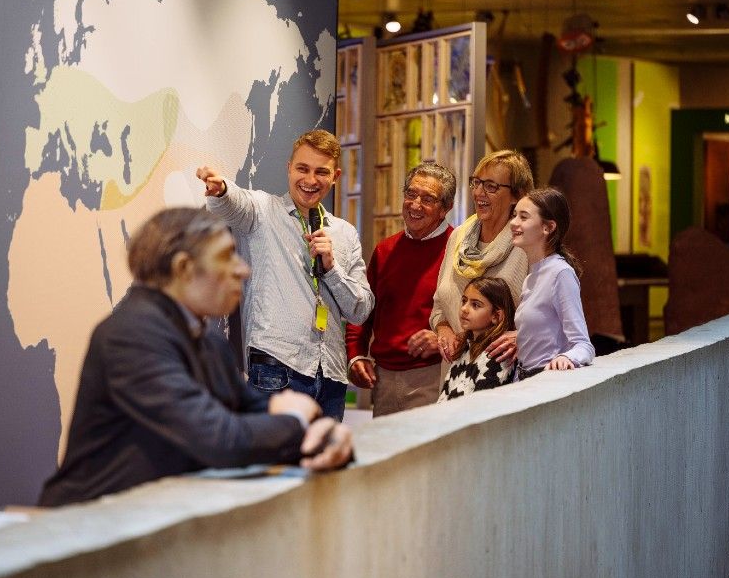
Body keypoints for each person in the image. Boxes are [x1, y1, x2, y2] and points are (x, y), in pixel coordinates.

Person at [38, 208, 353, 507]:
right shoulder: (131, 335)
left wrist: (326, 434)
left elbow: (257, 410)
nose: (243, 270)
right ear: (183, 268)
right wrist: (297, 420)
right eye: (227, 256)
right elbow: (219, 439)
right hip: (87, 533)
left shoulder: (207, 340)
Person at [197, 129, 374, 421]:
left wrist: (331, 268)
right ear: (289, 168)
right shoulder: (263, 210)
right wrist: (220, 189)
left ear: (336, 176)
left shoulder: (344, 233)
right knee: (276, 466)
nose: (310, 180)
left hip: (331, 376)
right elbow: (233, 201)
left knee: (325, 466)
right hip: (275, 369)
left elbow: (361, 310)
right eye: (302, 168)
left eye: (321, 172)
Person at [345, 162, 456, 416]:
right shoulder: (385, 250)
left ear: (445, 208)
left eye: (428, 199)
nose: (415, 205)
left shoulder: (458, 249)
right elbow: (361, 309)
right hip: (383, 379)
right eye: (411, 194)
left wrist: (443, 338)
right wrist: (355, 355)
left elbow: (476, 316)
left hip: (434, 375)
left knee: (427, 456)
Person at [429, 149, 534, 365]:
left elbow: (547, 315)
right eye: (476, 183)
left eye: (491, 186)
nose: (479, 193)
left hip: (501, 373)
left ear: (517, 195)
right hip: (455, 371)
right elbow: (439, 308)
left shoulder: (526, 246)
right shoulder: (458, 237)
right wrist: (444, 329)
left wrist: (520, 336)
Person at [509, 188, 595, 378]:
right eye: (514, 215)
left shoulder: (561, 273)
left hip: (546, 381)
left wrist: (567, 358)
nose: (513, 223)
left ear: (548, 227)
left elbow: (583, 345)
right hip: (524, 381)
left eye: (523, 217)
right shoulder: (532, 275)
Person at [437, 277, 516, 401]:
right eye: (464, 301)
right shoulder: (464, 349)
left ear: (496, 316)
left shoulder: (498, 354)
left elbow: (481, 407)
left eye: (475, 305)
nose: (464, 309)